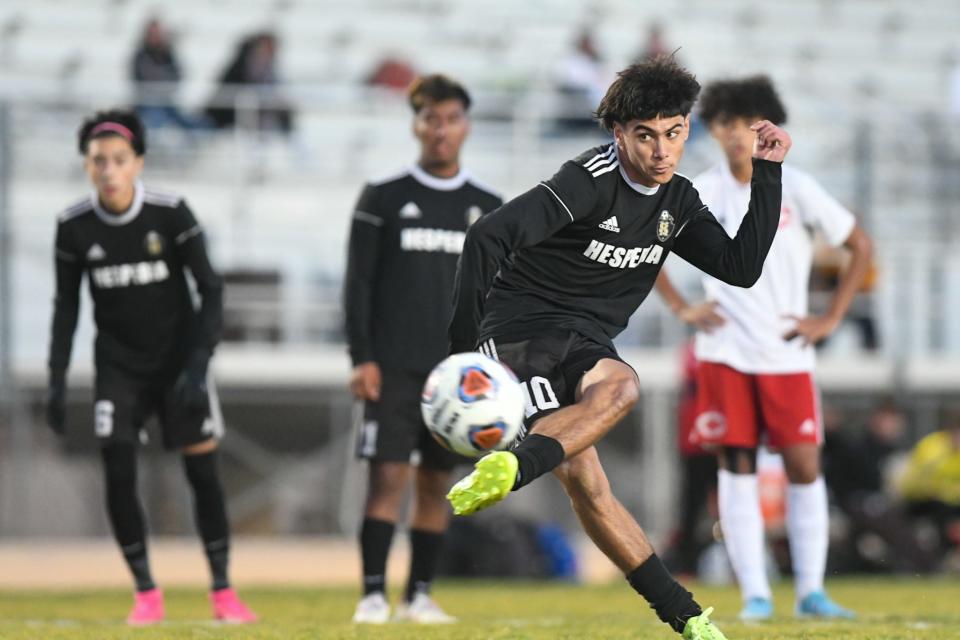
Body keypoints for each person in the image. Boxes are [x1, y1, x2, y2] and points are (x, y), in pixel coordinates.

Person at [447, 55, 793, 640]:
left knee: (611, 418)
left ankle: (684, 617)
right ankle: (684, 614)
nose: (662, 151)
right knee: (589, 477)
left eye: (674, 133)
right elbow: (487, 236)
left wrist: (767, 173)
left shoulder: (677, 201)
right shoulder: (589, 180)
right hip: (522, 332)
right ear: (619, 133)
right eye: (646, 136)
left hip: (584, 339)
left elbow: (738, 267)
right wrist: (464, 357)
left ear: (687, 128)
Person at [654, 75, 873, 620]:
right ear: (715, 128)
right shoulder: (700, 191)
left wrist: (830, 318)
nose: (736, 135)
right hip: (726, 352)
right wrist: (682, 308)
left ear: (768, 128)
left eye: (749, 125)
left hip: (787, 351)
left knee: (803, 466)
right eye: (727, 123)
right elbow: (647, 243)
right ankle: (755, 593)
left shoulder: (796, 187)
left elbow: (858, 245)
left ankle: (811, 591)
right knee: (736, 467)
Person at [45, 110, 256, 625]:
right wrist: (55, 380)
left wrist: (199, 364)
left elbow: (211, 289)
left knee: (202, 473)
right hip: (118, 370)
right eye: (99, 161)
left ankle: (223, 591)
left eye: (119, 160)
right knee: (118, 468)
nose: (109, 170)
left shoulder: (171, 214)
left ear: (137, 162)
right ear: (87, 166)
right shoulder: (74, 227)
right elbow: (67, 307)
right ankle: (145, 592)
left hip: (180, 364)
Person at [343, 75, 502, 624]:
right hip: (391, 365)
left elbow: (498, 294)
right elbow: (358, 283)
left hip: (456, 374)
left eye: (451, 118)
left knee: (437, 482)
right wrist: (360, 356)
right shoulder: (383, 197)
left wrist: (492, 363)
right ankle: (370, 594)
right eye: (431, 119)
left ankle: (419, 596)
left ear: (466, 125)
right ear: (416, 124)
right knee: (387, 476)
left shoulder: (488, 205)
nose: (441, 130)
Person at [899, 408, 960, 557]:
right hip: (923, 501)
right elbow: (917, 482)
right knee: (943, 511)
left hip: (951, 503)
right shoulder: (931, 446)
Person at [205, 31, 294, 133]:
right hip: (230, 117)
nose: (269, 52)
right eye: (266, 47)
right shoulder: (241, 67)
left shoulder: (270, 70)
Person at [130, 18, 198, 131]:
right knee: (154, 122)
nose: (155, 36)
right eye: (152, 33)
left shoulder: (169, 54)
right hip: (147, 103)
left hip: (167, 102)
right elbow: (140, 79)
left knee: (194, 125)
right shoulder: (141, 56)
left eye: (157, 33)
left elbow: (177, 76)